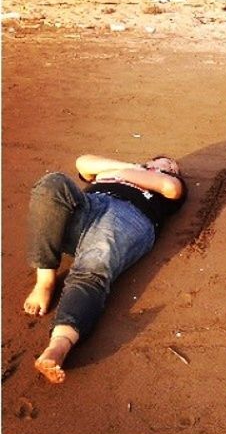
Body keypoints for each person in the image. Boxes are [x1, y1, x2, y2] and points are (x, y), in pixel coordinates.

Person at [23, 154, 187, 384]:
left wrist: (117, 174)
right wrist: (130, 167)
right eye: (161, 161)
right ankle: (45, 278)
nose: (167, 165)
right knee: (52, 184)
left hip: (127, 215)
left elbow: (170, 188)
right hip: (89, 205)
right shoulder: (128, 167)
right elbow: (82, 162)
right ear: (147, 162)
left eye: (171, 166)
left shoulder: (168, 183)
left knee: (94, 265)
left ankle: (59, 344)